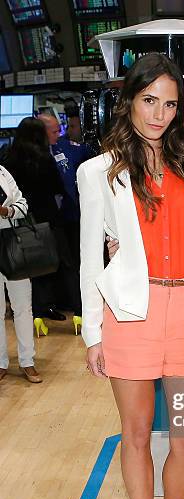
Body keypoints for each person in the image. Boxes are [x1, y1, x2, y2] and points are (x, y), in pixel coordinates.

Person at [77, 53, 184, 499]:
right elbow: (91, 257)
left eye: (169, 103)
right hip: (130, 315)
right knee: (135, 435)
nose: (158, 113)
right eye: (149, 100)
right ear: (129, 99)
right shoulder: (98, 171)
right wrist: (91, 334)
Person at [3, 117, 66, 333]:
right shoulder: (44, 159)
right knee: (49, 263)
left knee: (23, 266)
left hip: (17, 222)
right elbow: (57, 187)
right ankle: (49, 307)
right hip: (45, 218)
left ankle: (36, 312)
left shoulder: (8, 158)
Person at [39, 113, 94, 334]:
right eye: (54, 130)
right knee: (51, 266)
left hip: (72, 217)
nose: (59, 133)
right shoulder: (34, 155)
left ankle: (76, 309)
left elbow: (89, 152)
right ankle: (48, 307)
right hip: (48, 223)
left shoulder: (67, 148)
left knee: (72, 263)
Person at [0, 165, 42, 383]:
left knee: (23, 307)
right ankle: (0, 362)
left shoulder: (3, 172)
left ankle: (28, 361)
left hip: (14, 245)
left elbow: (23, 205)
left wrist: (7, 211)